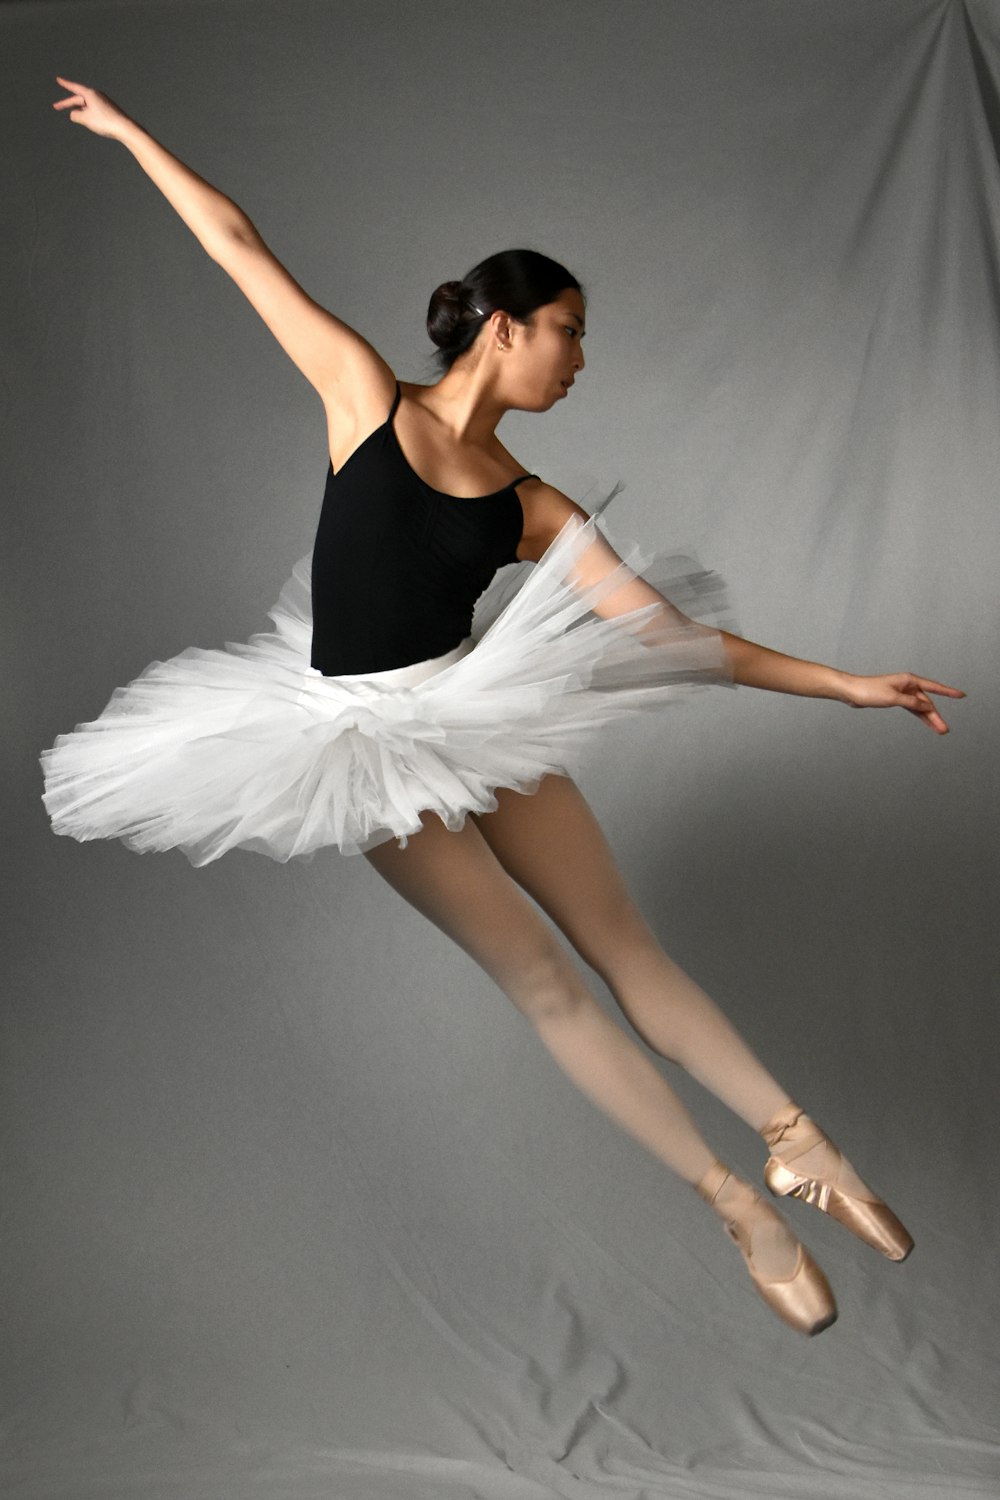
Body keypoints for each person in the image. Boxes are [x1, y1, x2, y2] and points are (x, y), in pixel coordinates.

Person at [42, 78, 965, 1338]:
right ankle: (734, 1206)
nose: (582, 359)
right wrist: (134, 134)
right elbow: (238, 247)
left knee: (624, 943)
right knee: (545, 982)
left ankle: (800, 1143)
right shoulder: (365, 400)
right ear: (503, 326)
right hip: (353, 744)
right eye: (570, 331)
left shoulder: (535, 507)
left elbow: (677, 641)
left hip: (473, 714)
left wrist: (845, 682)